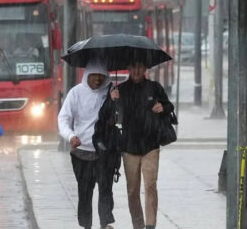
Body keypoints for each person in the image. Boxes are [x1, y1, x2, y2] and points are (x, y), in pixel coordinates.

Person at [103, 61, 174, 229]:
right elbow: (108, 115)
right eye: (133, 67)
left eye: (140, 67)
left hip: (151, 146)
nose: (136, 70)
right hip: (129, 147)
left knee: (150, 186)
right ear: (128, 68)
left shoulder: (155, 87)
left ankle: (150, 225)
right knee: (132, 191)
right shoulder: (121, 90)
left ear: (145, 69)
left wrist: (162, 107)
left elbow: (169, 106)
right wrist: (112, 100)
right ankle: (138, 224)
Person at [58, 59, 115, 229]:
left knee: (105, 190)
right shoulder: (75, 93)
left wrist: (115, 103)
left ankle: (105, 223)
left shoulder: (112, 93)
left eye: (101, 76)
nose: (97, 79)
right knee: (84, 192)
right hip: (81, 152)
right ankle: (86, 225)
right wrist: (70, 136)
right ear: (86, 75)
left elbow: (120, 118)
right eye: (94, 75)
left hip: (104, 153)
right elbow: (64, 118)